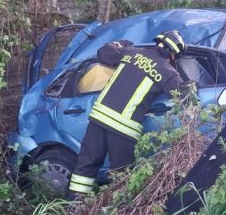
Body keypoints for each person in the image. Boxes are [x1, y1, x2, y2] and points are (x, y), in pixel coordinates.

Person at [66, 30, 188, 200]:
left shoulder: (131, 52)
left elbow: (103, 53)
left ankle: (74, 206)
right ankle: (116, 212)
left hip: (99, 119)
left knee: (86, 166)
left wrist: (121, 43)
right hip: (123, 128)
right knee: (121, 176)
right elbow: (184, 96)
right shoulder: (167, 71)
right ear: (173, 55)